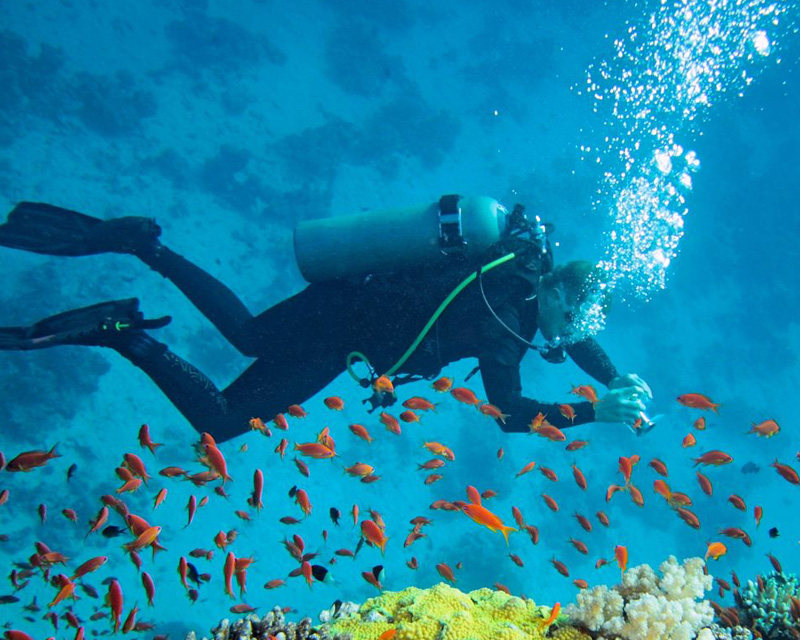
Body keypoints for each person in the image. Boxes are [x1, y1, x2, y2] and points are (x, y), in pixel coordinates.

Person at [0, 200, 651, 442]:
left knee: (249, 337)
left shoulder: (526, 266)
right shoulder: (502, 323)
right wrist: (597, 413)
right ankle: (127, 332)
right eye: (570, 322)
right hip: (348, 333)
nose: (567, 339)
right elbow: (511, 415)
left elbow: (580, 332)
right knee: (223, 419)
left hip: (352, 301)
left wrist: (614, 378)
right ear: (556, 296)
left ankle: (148, 248)